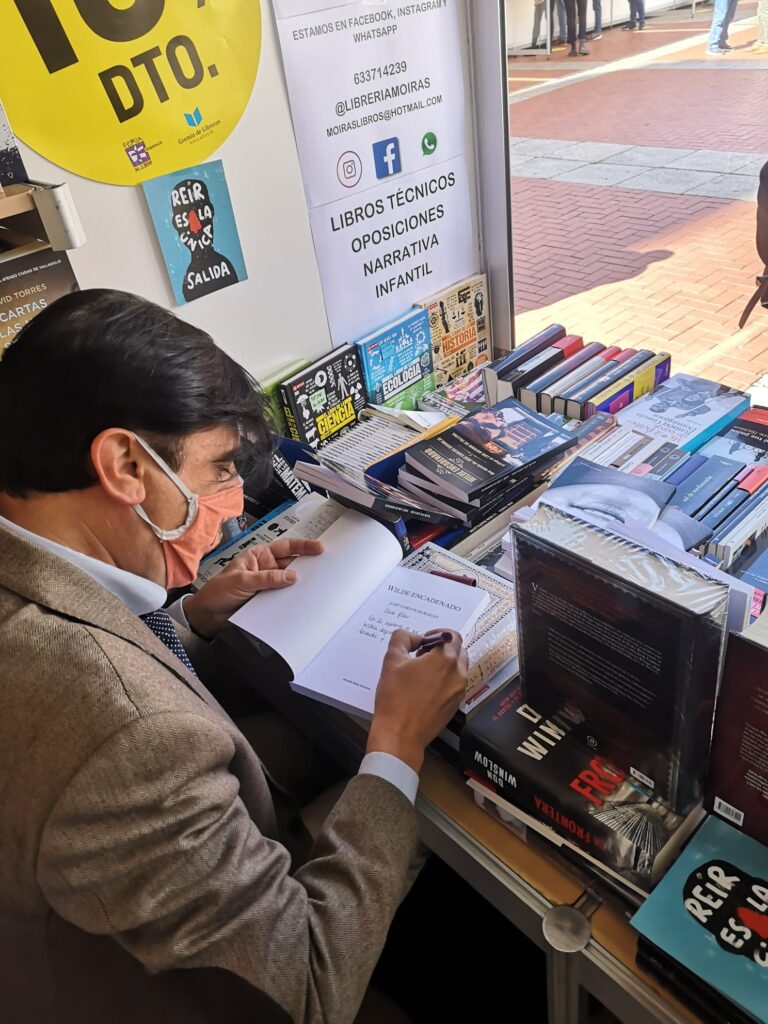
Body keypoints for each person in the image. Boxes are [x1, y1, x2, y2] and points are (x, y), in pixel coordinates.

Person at [0, 289, 469, 1024]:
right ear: (124, 463)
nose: (227, 506)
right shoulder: (126, 739)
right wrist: (397, 745)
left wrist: (192, 617)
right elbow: (308, 989)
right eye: (219, 470)